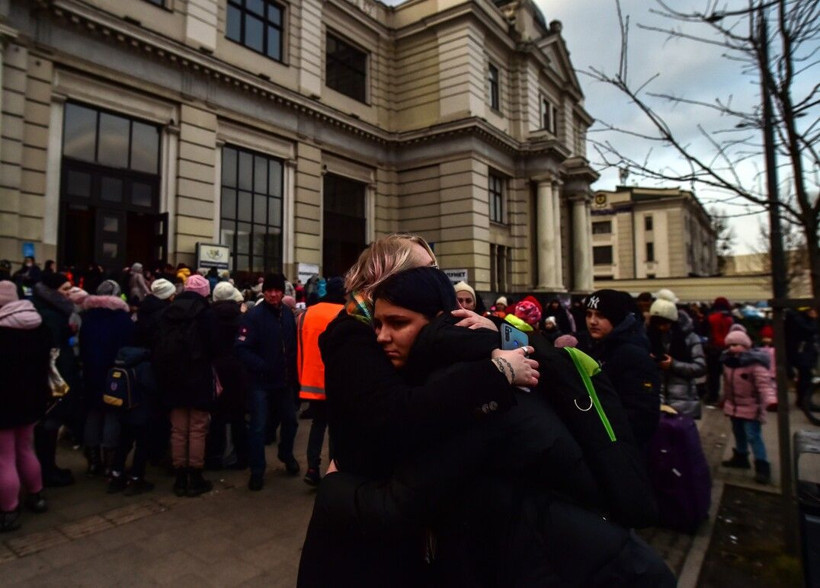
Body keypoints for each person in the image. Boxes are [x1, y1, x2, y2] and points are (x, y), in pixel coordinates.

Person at [300, 265, 669, 586]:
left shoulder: (466, 384)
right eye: (377, 323)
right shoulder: (477, 357)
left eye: (398, 323)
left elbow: (399, 504)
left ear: (441, 318)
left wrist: (335, 486)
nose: (381, 336)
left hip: (562, 560)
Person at [152, 273, 217, 497]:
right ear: (205, 292)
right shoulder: (206, 314)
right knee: (198, 428)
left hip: (172, 378)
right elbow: (212, 347)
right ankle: (195, 475)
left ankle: (179, 477)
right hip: (198, 376)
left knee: (178, 429)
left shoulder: (167, 313)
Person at [235, 272, 299, 491]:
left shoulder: (288, 315)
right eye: (270, 290)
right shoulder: (253, 316)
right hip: (260, 382)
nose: (273, 294)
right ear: (264, 292)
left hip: (284, 381)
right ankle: (257, 470)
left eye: (277, 290)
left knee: (291, 421)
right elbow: (242, 349)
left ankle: (286, 454)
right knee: (258, 427)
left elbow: (292, 346)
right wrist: (262, 366)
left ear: (282, 291)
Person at [579, 289, 661, 450]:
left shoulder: (633, 355)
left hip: (622, 449)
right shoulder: (592, 347)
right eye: (589, 314)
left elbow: (642, 416)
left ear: (616, 317)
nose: (592, 321)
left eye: (600, 315)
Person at [0, 281, 51, 532]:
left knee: (4, 458)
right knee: (26, 449)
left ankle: (9, 509)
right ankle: (37, 495)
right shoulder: (39, 325)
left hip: (4, 403)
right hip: (31, 399)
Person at [78, 280, 135, 478]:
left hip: (91, 371)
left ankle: (93, 460)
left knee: (93, 413)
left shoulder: (87, 317)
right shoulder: (121, 318)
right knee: (112, 413)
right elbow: (128, 344)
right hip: (114, 373)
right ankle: (110, 460)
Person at [32, 272, 81, 487]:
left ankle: (47, 468)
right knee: (48, 425)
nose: (69, 293)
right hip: (54, 379)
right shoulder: (51, 313)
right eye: (65, 289)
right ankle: (46, 471)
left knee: (49, 426)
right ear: (53, 291)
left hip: (56, 375)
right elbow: (51, 351)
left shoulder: (53, 308)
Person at [296, 277, 346, 487]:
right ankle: (333, 472)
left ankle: (312, 468)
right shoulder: (346, 314)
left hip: (311, 382)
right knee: (336, 429)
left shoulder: (307, 313)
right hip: (338, 383)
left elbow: (299, 348)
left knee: (318, 426)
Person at [719, 325, 777, 484]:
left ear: (746, 346)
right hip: (734, 405)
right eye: (730, 345)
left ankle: (762, 466)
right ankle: (740, 457)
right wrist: (724, 399)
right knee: (738, 432)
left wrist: (770, 399)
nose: (732, 348)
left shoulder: (755, 363)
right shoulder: (728, 362)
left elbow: (764, 384)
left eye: (736, 345)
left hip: (752, 407)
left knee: (753, 436)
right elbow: (727, 383)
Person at [205, 282, 249, 471]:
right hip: (237, 370)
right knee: (238, 415)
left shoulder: (208, 317)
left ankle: (215, 456)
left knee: (217, 416)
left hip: (215, 371)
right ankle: (241, 457)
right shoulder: (241, 318)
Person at [647, 295, 707, 419]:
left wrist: (673, 364)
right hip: (655, 400)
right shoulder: (648, 337)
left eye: (665, 323)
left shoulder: (690, 338)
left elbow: (700, 367)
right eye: (657, 324)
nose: (661, 327)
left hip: (683, 403)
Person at [705, 296, 734, 405]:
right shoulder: (731, 318)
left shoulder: (710, 317)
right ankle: (729, 397)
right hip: (729, 348)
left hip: (713, 349)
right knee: (729, 374)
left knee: (713, 375)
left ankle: (713, 397)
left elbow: (706, 333)